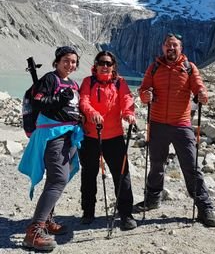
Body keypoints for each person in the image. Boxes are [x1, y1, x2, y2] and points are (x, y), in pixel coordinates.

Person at [135, 32, 215, 227]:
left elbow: (198, 86)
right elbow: (143, 89)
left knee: (191, 166)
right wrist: (144, 95)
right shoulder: (154, 67)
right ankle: (153, 199)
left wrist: (202, 93)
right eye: (168, 45)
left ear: (181, 48)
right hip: (157, 124)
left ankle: (204, 207)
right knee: (156, 165)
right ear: (163, 48)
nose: (171, 49)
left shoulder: (189, 68)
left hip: (181, 124)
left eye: (175, 46)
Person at [18, 46, 83, 251]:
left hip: (69, 135)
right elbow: (38, 103)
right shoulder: (49, 79)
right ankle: (34, 231)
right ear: (57, 61)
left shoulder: (73, 84)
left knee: (62, 177)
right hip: (53, 136)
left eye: (73, 61)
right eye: (66, 60)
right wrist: (57, 99)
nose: (70, 64)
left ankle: (46, 220)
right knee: (58, 179)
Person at [78, 51, 137, 230]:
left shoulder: (120, 83)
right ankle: (88, 211)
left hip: (114, 136)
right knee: (89, 174)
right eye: (102, 63)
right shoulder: (88, 82)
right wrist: (92, 113)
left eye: (108, 63)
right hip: (90, 136)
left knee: (122, 175)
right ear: (95, 65)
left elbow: (126, 98)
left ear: (113, 66)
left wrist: (128, 113)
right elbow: (83, 101)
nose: (105, 66)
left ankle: (126, 214)